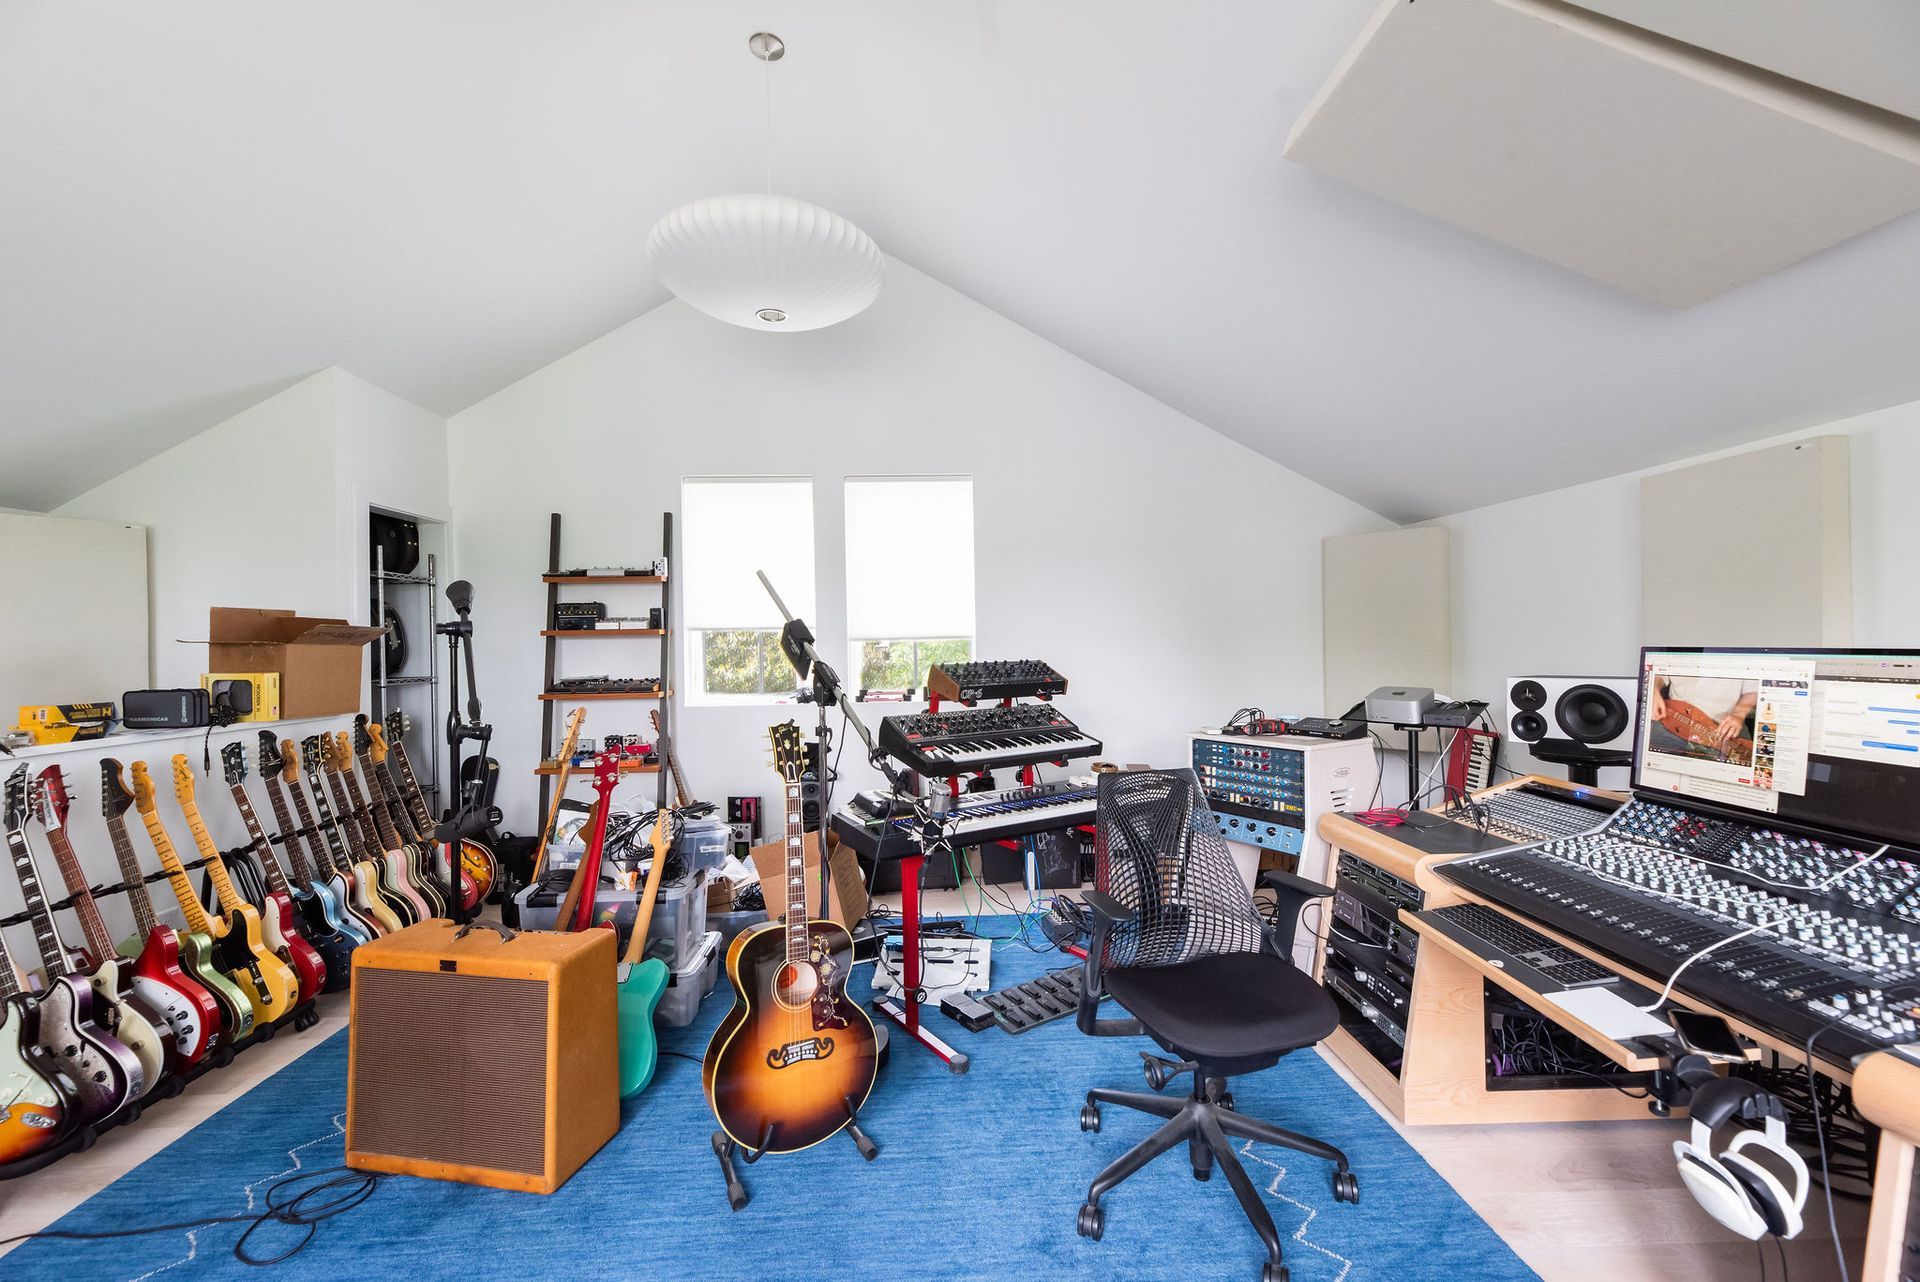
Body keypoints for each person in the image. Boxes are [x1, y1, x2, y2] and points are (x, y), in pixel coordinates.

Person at [1648, 675, 1756, 758]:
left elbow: (1753, 688)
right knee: (1653, 762)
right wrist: (1653, 689)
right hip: (1672, 717)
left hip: (1720, 729)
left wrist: (1738, 714)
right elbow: (1660, 674)